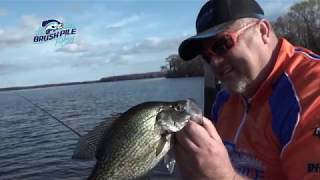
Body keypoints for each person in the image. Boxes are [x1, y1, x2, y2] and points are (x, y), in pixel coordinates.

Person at [175, 0, 320, 179]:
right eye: (206, 57)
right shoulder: (224, 99)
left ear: (263, 31)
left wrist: (224, 176)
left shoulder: (311, 93)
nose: (215, 62)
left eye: (222, 45)